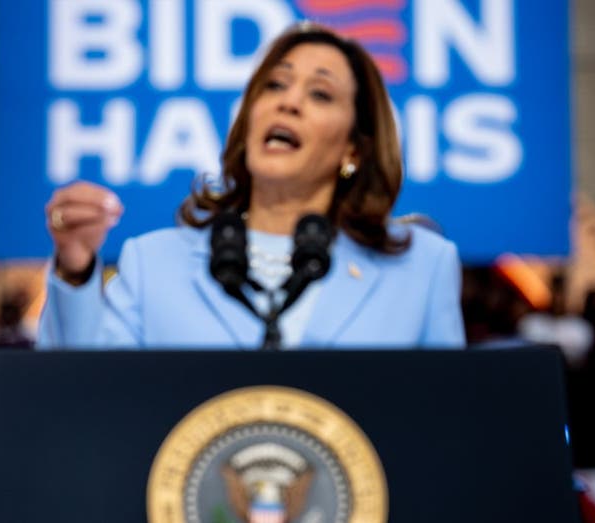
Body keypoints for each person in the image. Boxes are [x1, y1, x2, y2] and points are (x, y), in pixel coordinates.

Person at [38, 22, 465, 349]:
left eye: (320, 94)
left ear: (353, 149)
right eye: (275, 85)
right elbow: (86, 406)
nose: (288, 101)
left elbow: (446, 427)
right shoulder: (152, 264)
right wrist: (75, 269)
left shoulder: (424, 269)